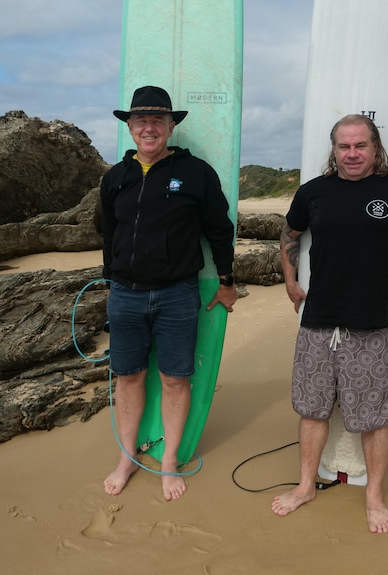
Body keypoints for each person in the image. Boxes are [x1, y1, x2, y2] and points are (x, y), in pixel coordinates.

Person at [273, 114, 388, 533]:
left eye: (360, 146)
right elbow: (290, 234)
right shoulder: (313, 192)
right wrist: (291, 282)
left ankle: (374, 496)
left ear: (375, 147)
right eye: (343, 146)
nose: (351, 154)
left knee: (373, 416)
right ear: (333, 149)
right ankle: (306, 486)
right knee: (312, 411)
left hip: (369, 325)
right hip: (317, 322)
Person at [99, 86, 237, 501]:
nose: (149, 127)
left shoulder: (196, 174)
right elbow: (107, 231)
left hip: (177, 293)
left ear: (171, 126)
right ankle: (126, 458)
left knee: (176, 380)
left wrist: (228, 281)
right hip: (125, 294)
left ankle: (170, 462)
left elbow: (220, 229)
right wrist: (111, 278)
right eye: (140, 120)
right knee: (128, 377)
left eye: (157, 120)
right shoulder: (115, 178)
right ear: (129, 127)